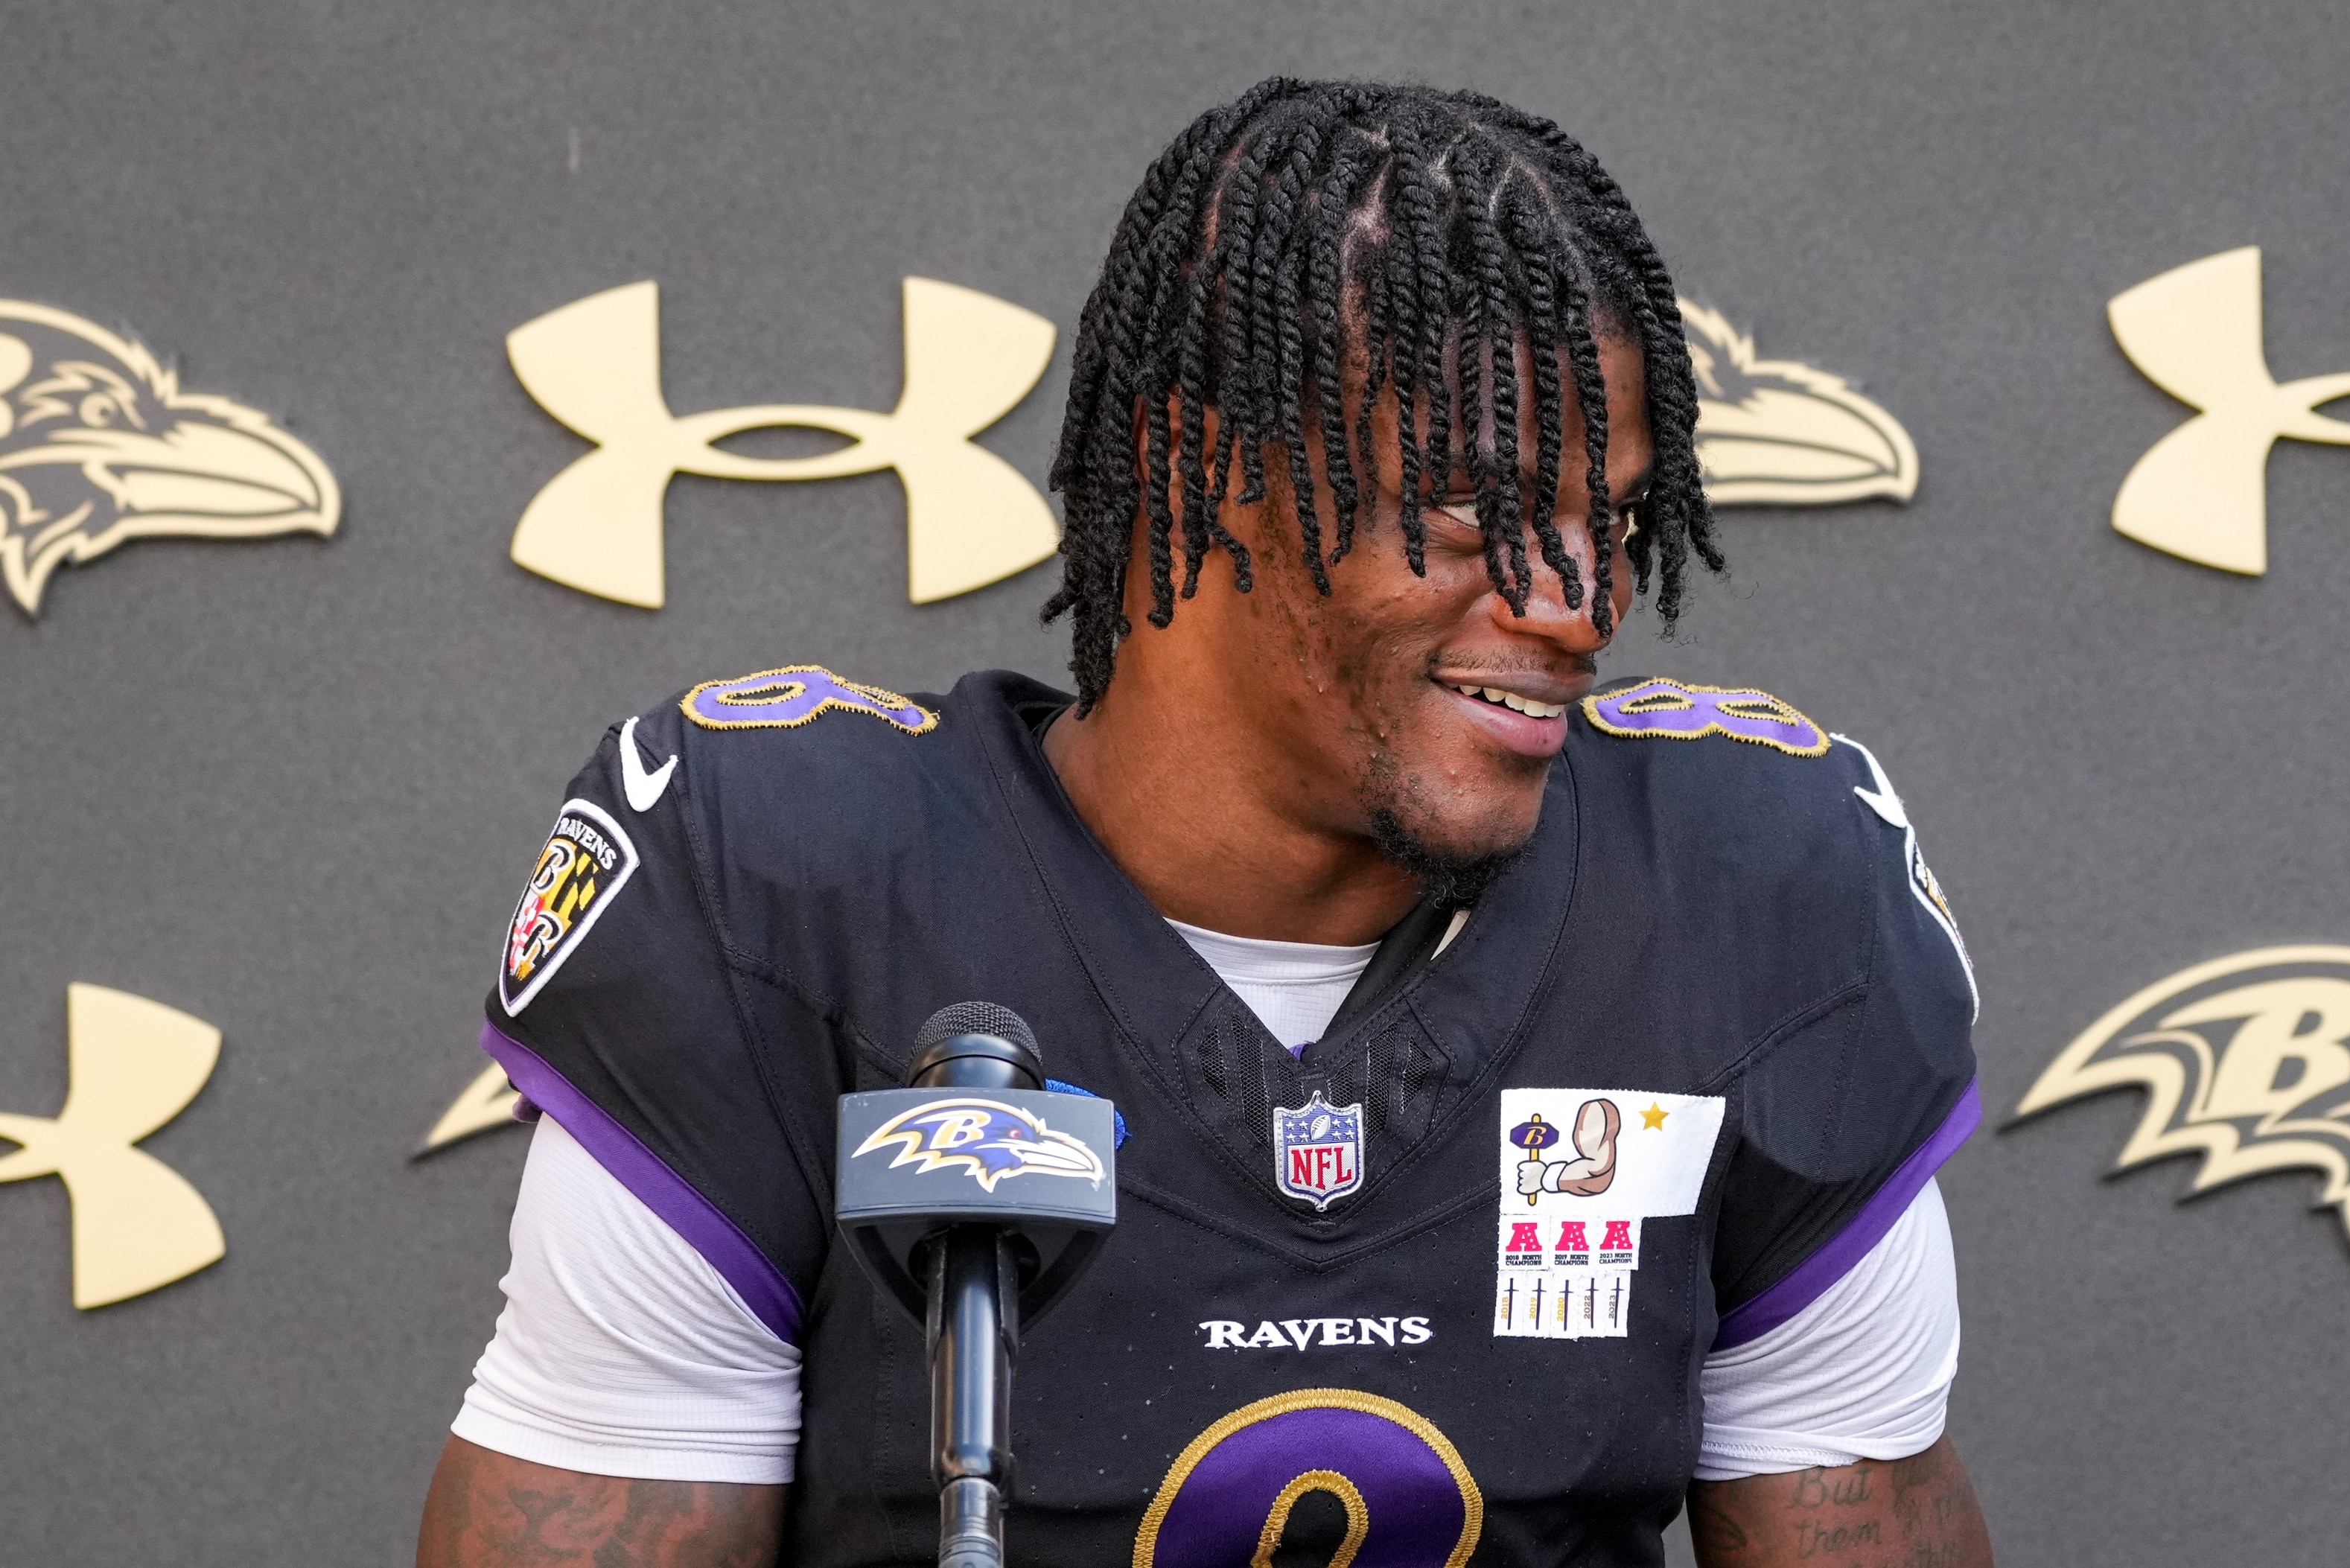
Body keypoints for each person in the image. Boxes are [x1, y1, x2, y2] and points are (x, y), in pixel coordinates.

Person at [417, 78, 1992, 1568]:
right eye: (1475, 518)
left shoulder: (1749, 887)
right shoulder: (783, 886)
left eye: (1616, 518)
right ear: (1202, 466)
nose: (1579, 606)